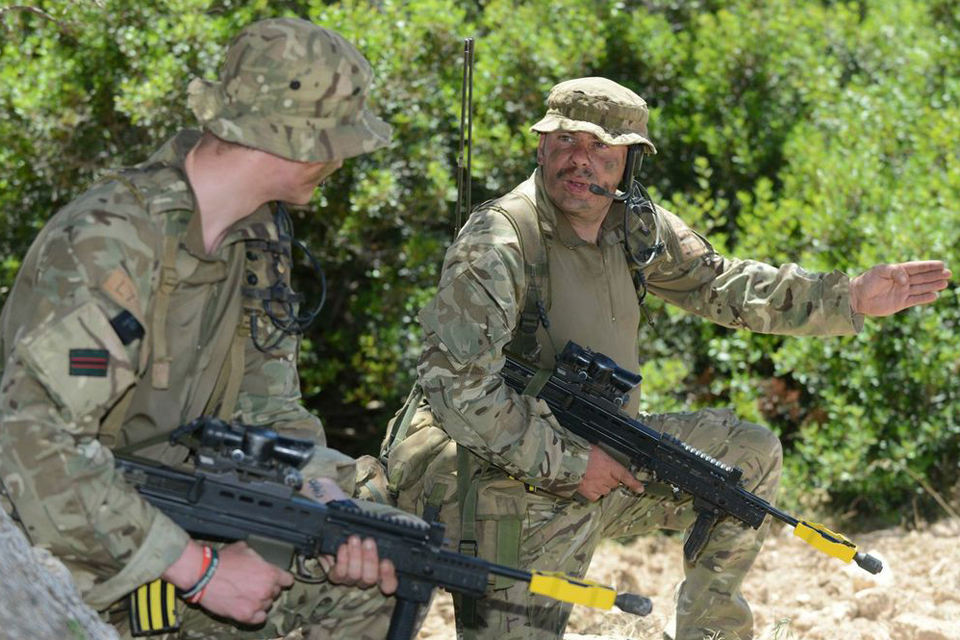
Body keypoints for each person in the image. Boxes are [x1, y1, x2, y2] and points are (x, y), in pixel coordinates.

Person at [377, 77, 951, 640]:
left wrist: (847, 296)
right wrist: (576, 465)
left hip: (598, 456)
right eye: (567, 142)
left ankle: (712, 634)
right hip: (485, 475)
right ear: (541, 146)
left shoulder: (633, 226)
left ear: (629, 161)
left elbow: (722, 284)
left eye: (601, 148)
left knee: (745, 459)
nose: (582, 160)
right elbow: (459, 391)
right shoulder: (499, 243)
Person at [0, 17, 402, 640]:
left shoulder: (258, 242)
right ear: (292, 138)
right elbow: (34, 440)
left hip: (188, 518)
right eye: (337, 139)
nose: (341, 158)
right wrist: (201, 572)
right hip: (62, 542)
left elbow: (269, 409)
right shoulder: (113, 242)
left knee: (363, 588)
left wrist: (326, 500)